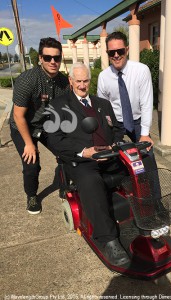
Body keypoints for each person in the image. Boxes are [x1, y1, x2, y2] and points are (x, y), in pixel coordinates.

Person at [47, 62, 131, 266]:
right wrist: (84, 152)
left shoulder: (102, 103)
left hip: (109, 156)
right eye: (79, 81)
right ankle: (109, 240)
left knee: (141, 164)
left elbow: (119, 129)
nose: (83, 86)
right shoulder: (58, 106)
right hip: (82, 161)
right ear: (70, 81)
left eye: (86, 81)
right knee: (91, 181)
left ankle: (147, 214)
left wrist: (116, 143)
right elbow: (54, 140)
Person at [10, 37, 70, 215]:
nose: (53, 61)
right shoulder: (27, 80)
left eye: (56, 58)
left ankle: (64, 185)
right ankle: (32, 195)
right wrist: (29, 144)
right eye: (48, 57)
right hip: (23, 126)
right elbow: (18, 115)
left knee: (67, 152)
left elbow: (66, 110)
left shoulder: (64, 82)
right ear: (40, 59)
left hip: (46, 125)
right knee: (31, 163)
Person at [97, 31, 157, 170]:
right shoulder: (103, 77)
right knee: (113, 160)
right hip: (116, 122)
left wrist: (144, 134)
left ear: (127, 50)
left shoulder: (141, 70)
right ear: (107, 53)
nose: (116, 55)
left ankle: (152, 191)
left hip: (137, 121)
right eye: (112, 52)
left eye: (120, 50)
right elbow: (103, 109)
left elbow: (147, 104)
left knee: (147, 156)